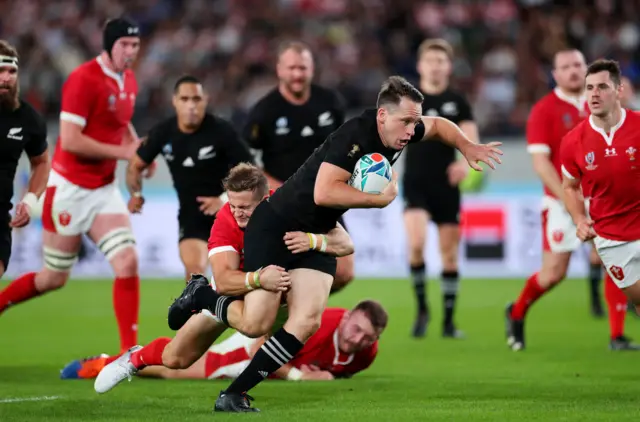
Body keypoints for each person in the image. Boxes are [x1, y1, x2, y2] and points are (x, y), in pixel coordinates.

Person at [174, 75, 501, 412]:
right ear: (382, 116)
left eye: (414, 121)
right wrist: (378, 200)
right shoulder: (354, 137)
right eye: (406, 121)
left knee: (306, 322)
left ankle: (234, 394)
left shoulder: (405, 129)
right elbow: (324, 191)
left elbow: (436, 126)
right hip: (276, 225)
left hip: (318, 232)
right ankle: (202, 294)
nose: (411, 130)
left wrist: (466, 146)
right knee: (255, 323)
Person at [92, 163, 355, 394]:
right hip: (236, 289)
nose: (238, 212)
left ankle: (236, 390)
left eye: (246, 207)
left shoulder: (290, 208)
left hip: (273, 287)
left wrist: (312, 241)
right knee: (176, 358)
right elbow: (226, 279)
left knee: (274, 326)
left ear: (267, 200)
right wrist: (259, 279)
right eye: (233, 204)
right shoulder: (226, 222)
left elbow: (344, 243)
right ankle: (136, 357)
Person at [0, 18, 143, 354]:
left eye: (135, 46)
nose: (131, 52)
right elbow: (72, 140)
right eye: (124, 45)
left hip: (104, 190)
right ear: (108, 46)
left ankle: (129, 354)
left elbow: (121, 123)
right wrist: (126, 152)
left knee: (128, 262)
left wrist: (139, 151)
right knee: (54, 277)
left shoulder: (129, 80)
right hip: (68, 188)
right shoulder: (83, 80)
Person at [504, 50, 637, 351]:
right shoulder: (544, 110)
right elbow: (541, 164)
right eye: (565, 67)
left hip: (605, 200)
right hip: (561, 201)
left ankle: (616, 336)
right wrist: (569, 202)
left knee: (613, 261)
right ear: (555, 74)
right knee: (553, 274)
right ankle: (517, 311)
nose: (574, 71)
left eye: (578, 65)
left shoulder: (602, 101)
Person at [243, 40, 354, 293]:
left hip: (323, 201)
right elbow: (247, 162)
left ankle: (295, 309)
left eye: (302, 68)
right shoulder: (264, 112)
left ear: (312, 69)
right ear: (279, 69)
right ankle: (286, 317)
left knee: (345, 271)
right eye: (291, 68)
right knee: (277, 271)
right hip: (282, 206)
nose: (297, 74)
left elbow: (343, 146)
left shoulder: (330, 102)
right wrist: (277, 189)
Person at [62, 301, 385, 382]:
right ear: (345, 318)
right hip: (249, 350)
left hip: (270, 363)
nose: (357, 339)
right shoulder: (320, 323)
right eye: (355, 329)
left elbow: (336, 372)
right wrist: (301, 377)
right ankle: (103, 363)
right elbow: (262, 346)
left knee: (178, 360)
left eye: (366, 337)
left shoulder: (367, 353)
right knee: (174, 367)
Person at [127, 75, 254, 280]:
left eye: (196, 99)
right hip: (192, 216)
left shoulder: (221, 131)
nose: (191, 106)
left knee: (234, 276)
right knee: (195, 274)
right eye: (185, 99)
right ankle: (199, 309)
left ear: (205, 100)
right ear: (174, 101)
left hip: (231, 214)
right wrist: (136, 193)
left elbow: (251, 171)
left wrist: (223, 199)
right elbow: (135, 166)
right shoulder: (163, 132)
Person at [403, 39, 479, 339]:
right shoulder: (408, 101)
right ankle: (422, 309)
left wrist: (464, 161)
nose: (435, 65)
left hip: (446, 186)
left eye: (441, 60)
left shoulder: (457, 101)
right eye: (430, 60)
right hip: (415, 182)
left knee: (449, 255)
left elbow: (471, 139)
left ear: (448, 66)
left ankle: (448, 321)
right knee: (417, 244)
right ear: (420, 66)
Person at [561, 59, 640, 320]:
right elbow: (570, 187)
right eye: (589, 87)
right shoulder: (573, 141)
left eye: (602, 86)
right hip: (610, 237)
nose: (594, 93)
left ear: (618, 91)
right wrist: (579, 219)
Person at [0, 41, 50, 280]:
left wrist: (30, 200)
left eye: (12, 71)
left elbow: (41, 162)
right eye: (0, 71)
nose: (6, 78)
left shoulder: (28, 119)